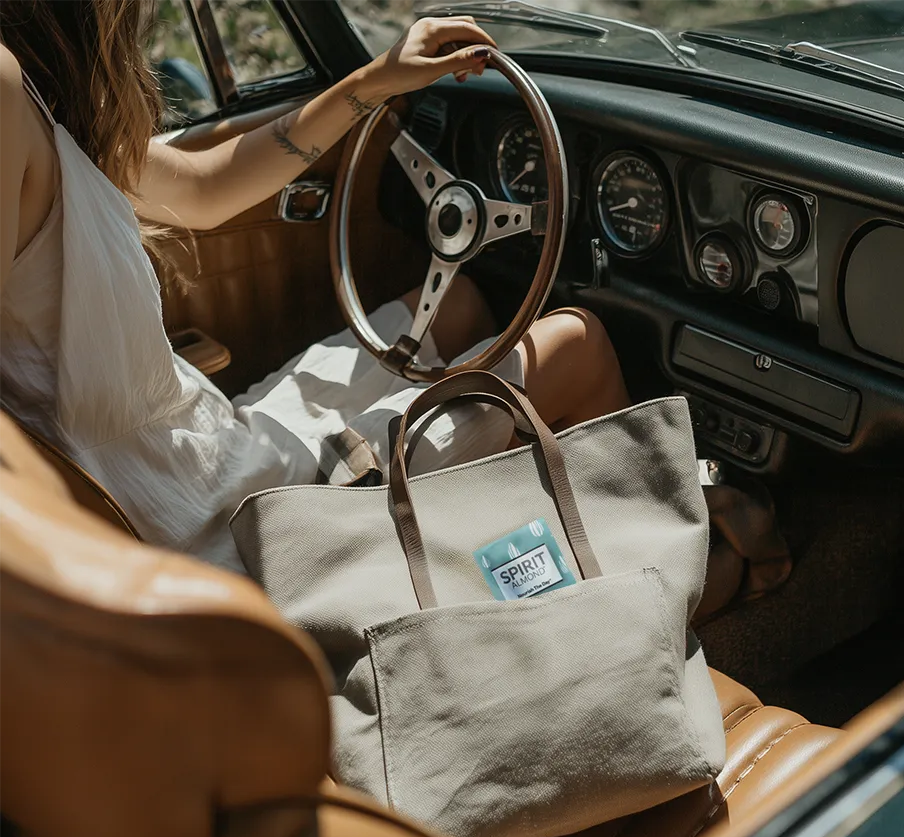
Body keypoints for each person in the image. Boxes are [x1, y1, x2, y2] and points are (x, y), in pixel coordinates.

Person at [0, 2, 629, 571]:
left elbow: (205, 188)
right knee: (581, 341)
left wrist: (380, 76)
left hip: (210, 453)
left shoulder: (39, 94)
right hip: (228, 534)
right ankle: (669, 583)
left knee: (456, 306)